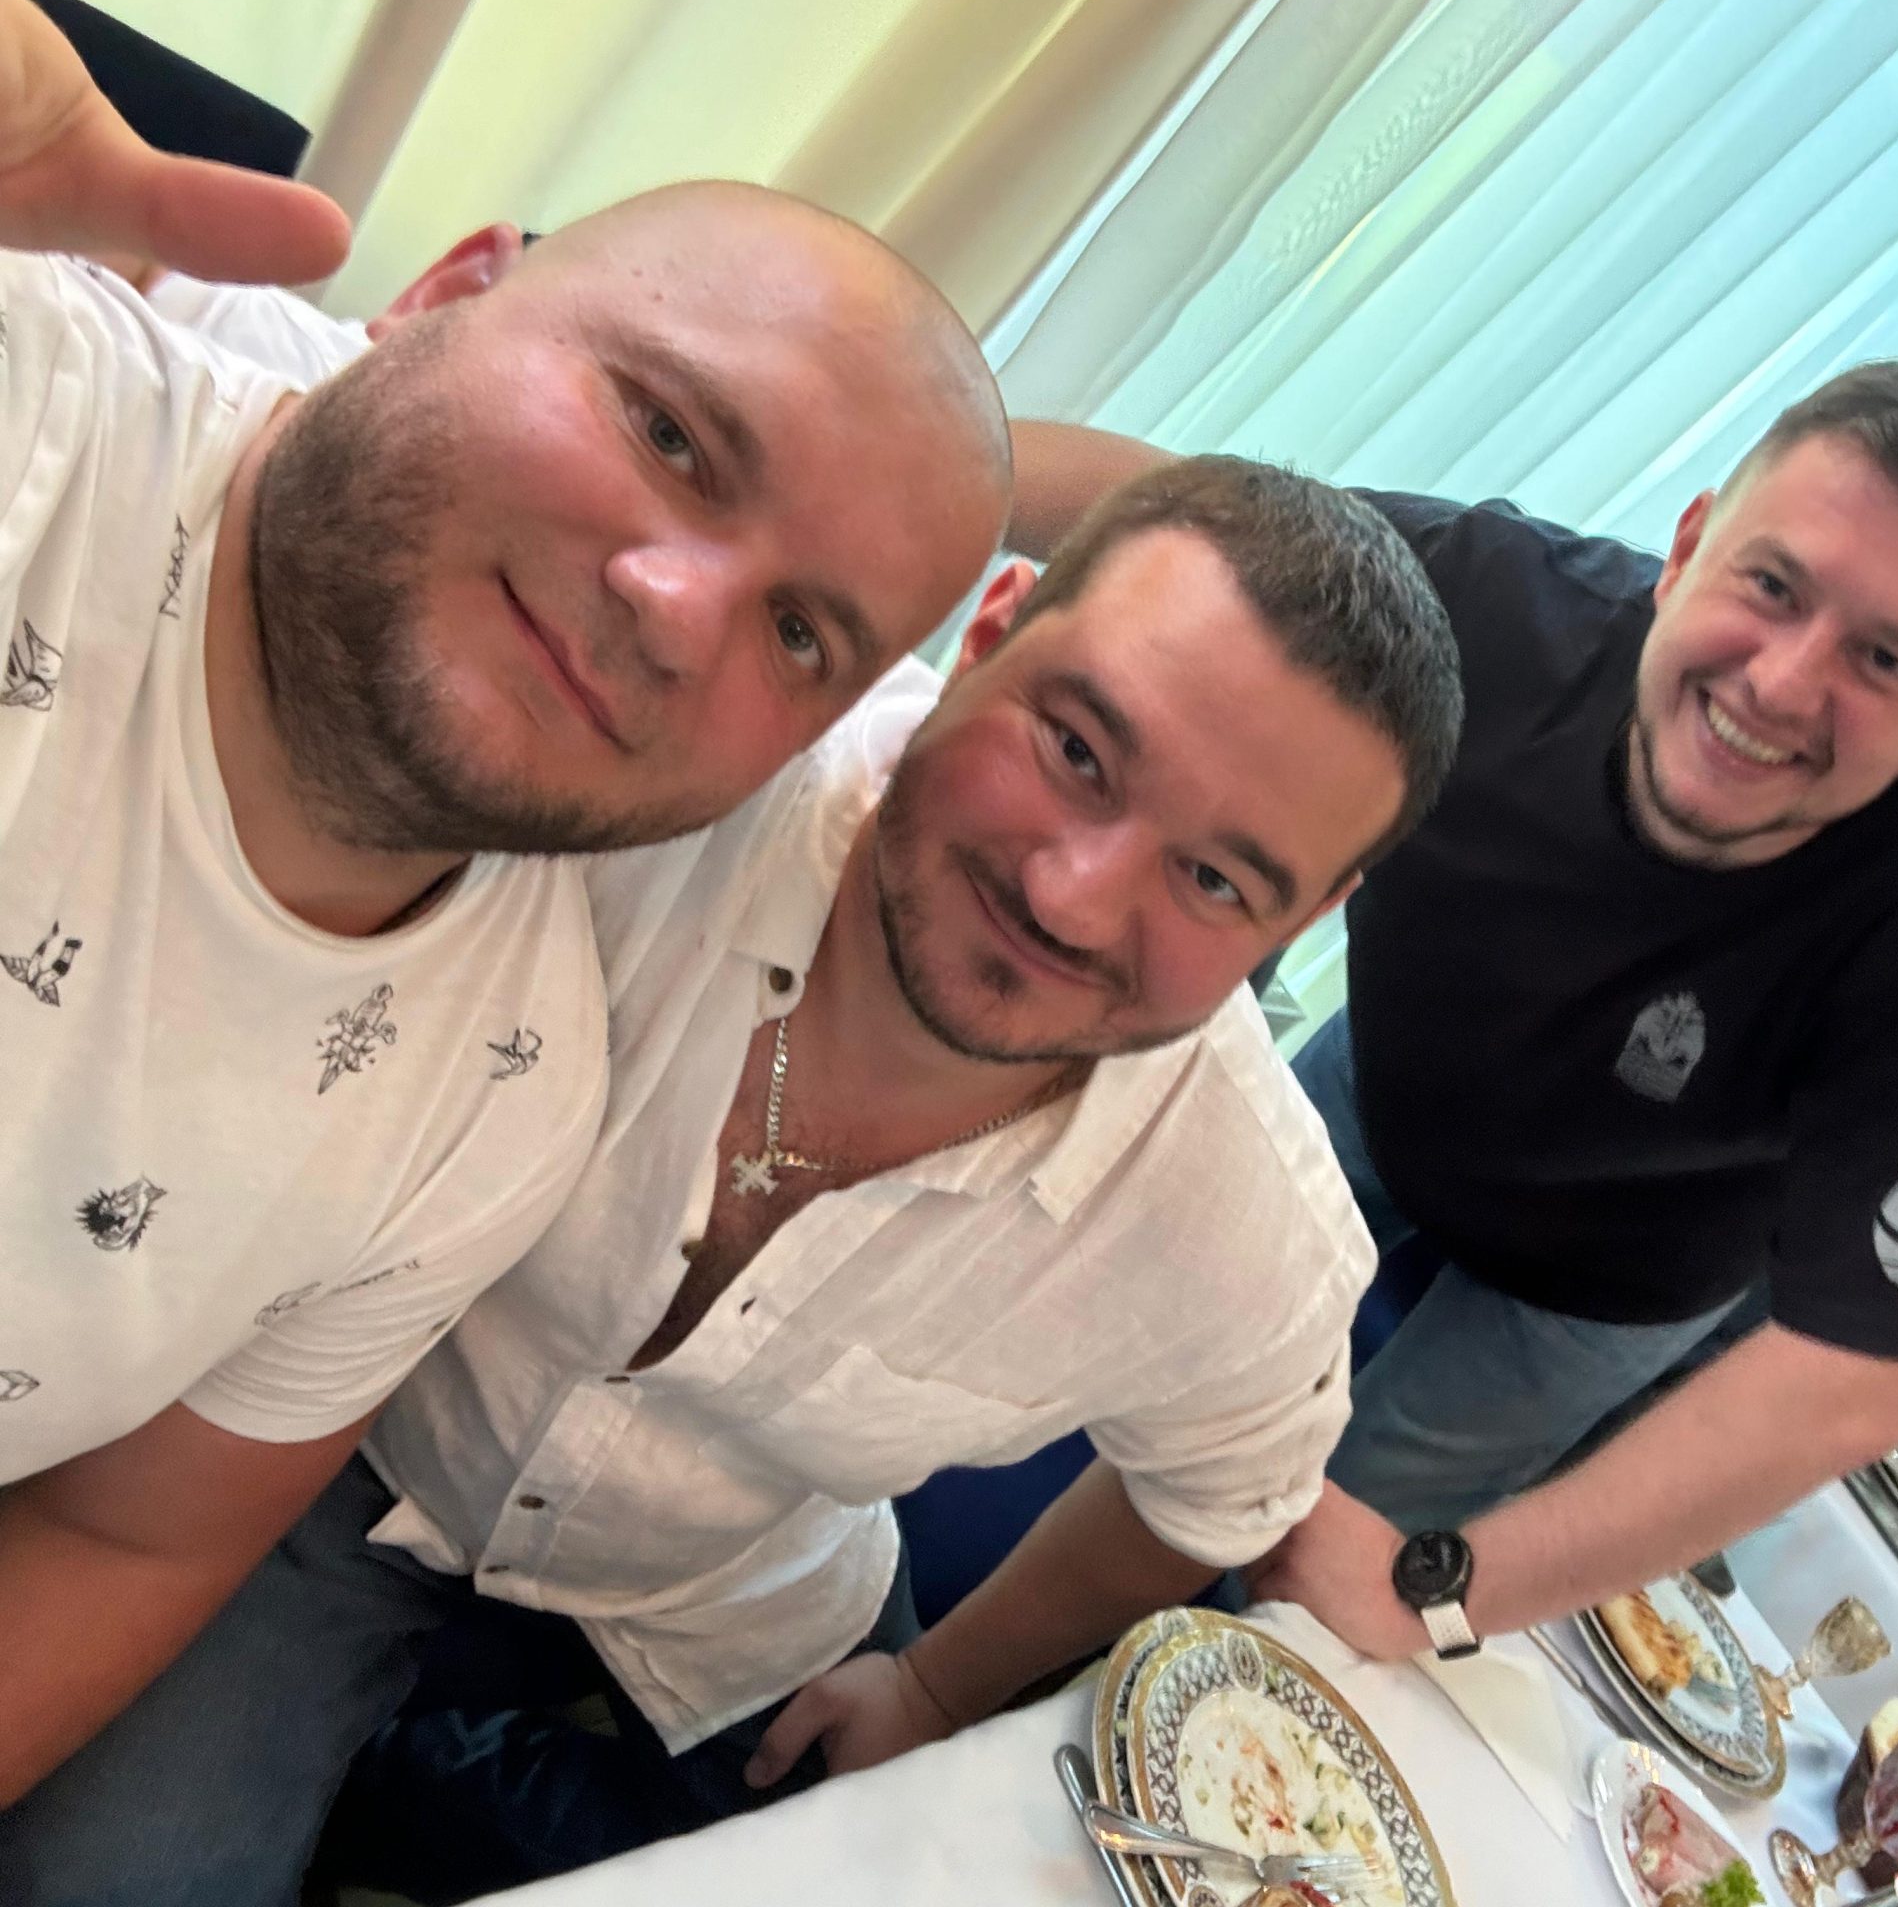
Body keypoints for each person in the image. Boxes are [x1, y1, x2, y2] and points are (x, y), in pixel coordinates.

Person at [1, 452, 1463, 1904]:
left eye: (1215, 881)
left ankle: (402, 1793)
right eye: (1076, 751)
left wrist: (937, 1688)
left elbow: (1215, 1497)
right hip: (335, 1451)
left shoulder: (1251, 1235)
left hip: (728, 1596)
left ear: (1313, 915)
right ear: (992, 627)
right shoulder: (655, 767)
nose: (1070, 896)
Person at [0, 0, 1012, 1816]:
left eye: (800, 634)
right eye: (672, 435)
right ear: (447, 290)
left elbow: (119, 1540)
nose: (677, 611)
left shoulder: (500, 1100)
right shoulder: (38, 427)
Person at [1009, 361, 1898, 1657]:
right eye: (1772, 585)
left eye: (1885, 659)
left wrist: (1435, 1590)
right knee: (1103, 1364)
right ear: (1686, 550)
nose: (1782, 684)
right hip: (1391, 1084)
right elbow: (1171, 531)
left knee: (1291, 1589)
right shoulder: (1500, 605)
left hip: (1606, 1283)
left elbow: (1855, 1372)